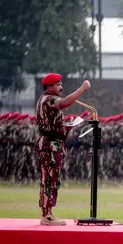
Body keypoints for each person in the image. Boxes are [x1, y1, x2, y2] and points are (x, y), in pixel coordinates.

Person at [35, 73, 91, 225]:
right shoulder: (48, 99)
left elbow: (52, 124)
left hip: (53, 143)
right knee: (48, 180)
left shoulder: (46, 99)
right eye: (58, 84)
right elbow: (65, 102)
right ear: (49, 87)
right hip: (49, 145)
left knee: (52, 179)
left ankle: (48, 213)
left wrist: (65, 126)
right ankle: (46, 215)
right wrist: (82, 89)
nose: (61, 87)